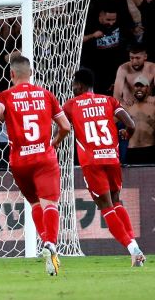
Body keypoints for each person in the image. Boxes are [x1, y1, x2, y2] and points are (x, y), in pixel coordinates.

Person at [0, 55, 71, 276]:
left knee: (35, 203)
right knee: (50, 204)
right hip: (44, 158)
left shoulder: (4, 96)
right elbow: (66, 126)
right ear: (30, 73)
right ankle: (50, 244)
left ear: (11, 74)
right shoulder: (46, 95)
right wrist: (55, 142)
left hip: (20, 162)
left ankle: (47, 247)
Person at [62, 68, 146, 267]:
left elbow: (62, 126)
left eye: (73, 85)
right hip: (111, 158)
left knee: (106, 207)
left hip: (92, 162)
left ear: (79, 85)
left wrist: (55, 142)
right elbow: (131, 124)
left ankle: (133, 249)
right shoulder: (109, 101)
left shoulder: (72, 105)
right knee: (116, 201)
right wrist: (127, 134)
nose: (72, 88)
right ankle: (134, 246)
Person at [125, 76, 155, 164]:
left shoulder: (153, 106)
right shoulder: (129, 108)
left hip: (149, 149)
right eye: (136, 86)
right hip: (132, 150)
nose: (139, 88)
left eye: (142, 86)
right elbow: (127, 132)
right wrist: (124, 132)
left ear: (147, 88)